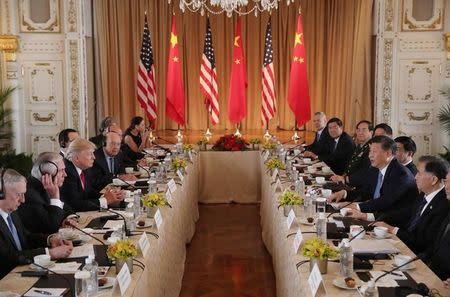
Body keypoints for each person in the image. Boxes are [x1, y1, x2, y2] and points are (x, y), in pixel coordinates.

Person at [0, 169, 73, 279]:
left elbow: (26, 238)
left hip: (24, 271)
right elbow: (9, 257)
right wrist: (49, 253)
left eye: (24, 194)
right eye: (19, 195)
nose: (23, 200)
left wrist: (50, 239)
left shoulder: (12, 213)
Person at [331, 136, 418, 226]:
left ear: (388, 154)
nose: (370, 155)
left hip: (392, 224)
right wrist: (344, 194)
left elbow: (386, 201)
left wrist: (357, 207)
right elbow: (366, 192)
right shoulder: (376, 169)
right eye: (370, 151)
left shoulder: (400, 174)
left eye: (374, 152)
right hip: (376, 217)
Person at [373, 156, 449, 254]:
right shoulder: (423, 194)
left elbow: (422, 243)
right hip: (404, 246)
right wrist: (370, 216)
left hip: (418, 256)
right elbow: (405, 214)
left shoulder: (443, 205)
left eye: (419, 173)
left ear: (433, 180)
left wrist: (392, 229)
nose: (415, 177)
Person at [17, 152, 77, 234]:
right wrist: (54, 197)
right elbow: (51, 227)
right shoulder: (29, 194)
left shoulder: (44, 187)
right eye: (61, 170)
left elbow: (65, 207)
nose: (65, 174)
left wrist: (70, 218)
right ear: (48, 174)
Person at [60, 138, 124, 212]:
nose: (94, 157)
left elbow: (88, 192)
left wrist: (108, 196)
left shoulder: (83, 169)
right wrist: (105, 200)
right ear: (77, 157)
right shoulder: (67, 173)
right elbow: (75, 205)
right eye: (90, 154)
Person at [420, 171, 450, 281]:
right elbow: (437, 244)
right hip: (433, 273)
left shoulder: (443, 207)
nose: (447, 186)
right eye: (446, 181)